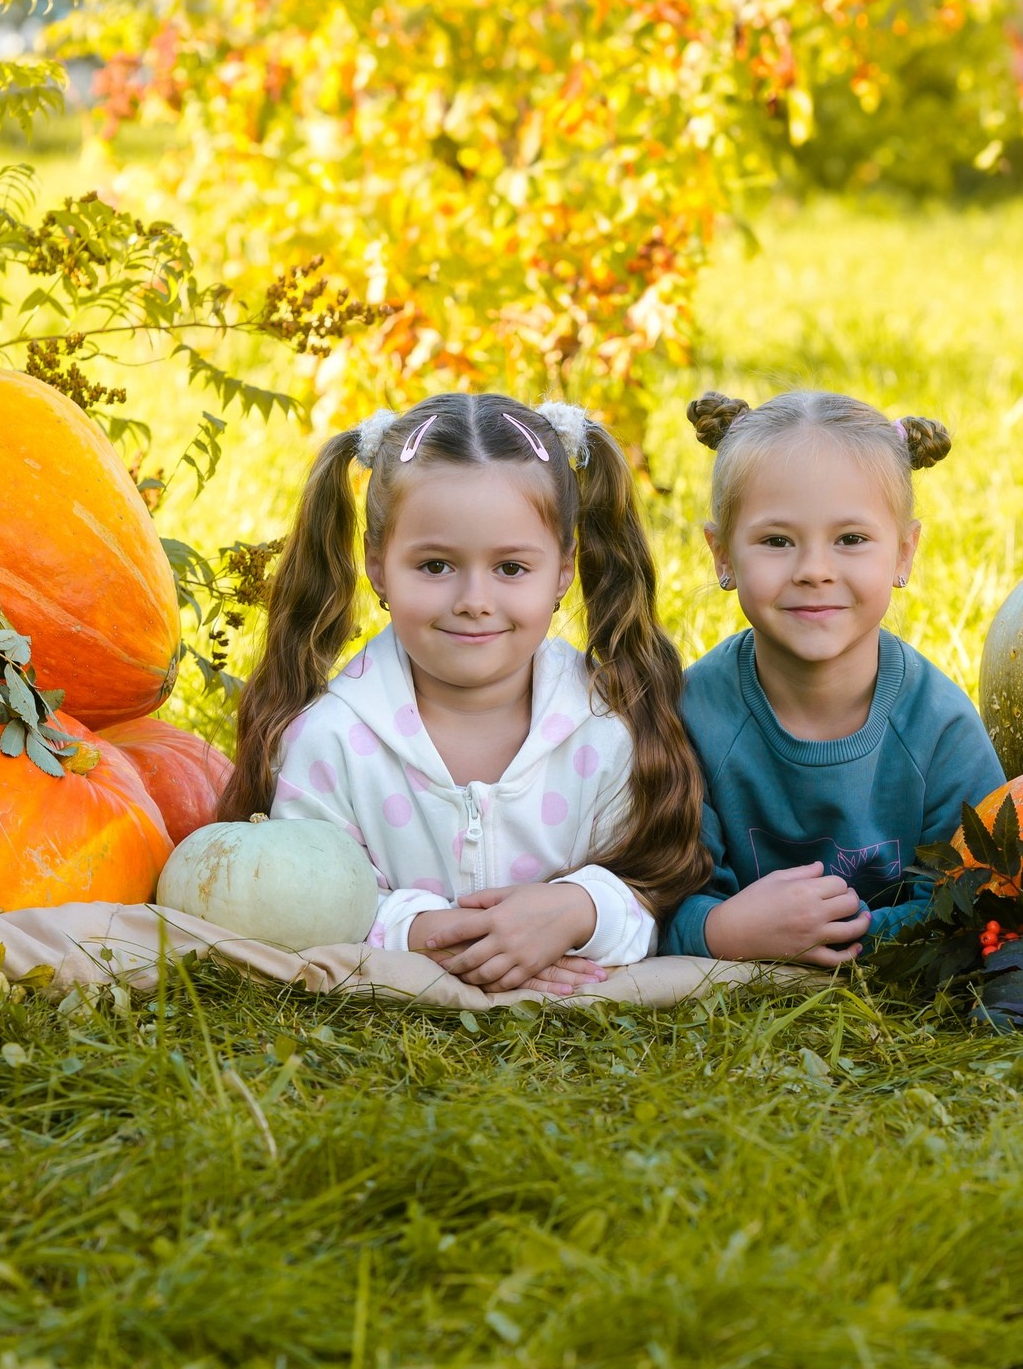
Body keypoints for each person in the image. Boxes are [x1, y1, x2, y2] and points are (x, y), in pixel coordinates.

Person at [223, 393, 708, 993]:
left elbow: (652, 890)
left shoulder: (606, 726)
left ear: (563, 569)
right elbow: (306, 902)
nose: (474, 601)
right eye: (435, 566)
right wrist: (421, 931)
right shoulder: (331, 741)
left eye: (511, 568)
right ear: (377, 565)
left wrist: (579, 912)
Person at [663, 389, 1006, 964]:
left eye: (850, 539)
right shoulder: (689, 719)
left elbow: (977, 898)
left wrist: (840, 934)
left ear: (904, 552)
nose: (814, 571)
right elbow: (654, 901)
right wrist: (722, 930)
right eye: (777, 541)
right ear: (722, 554)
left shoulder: (939, 728)